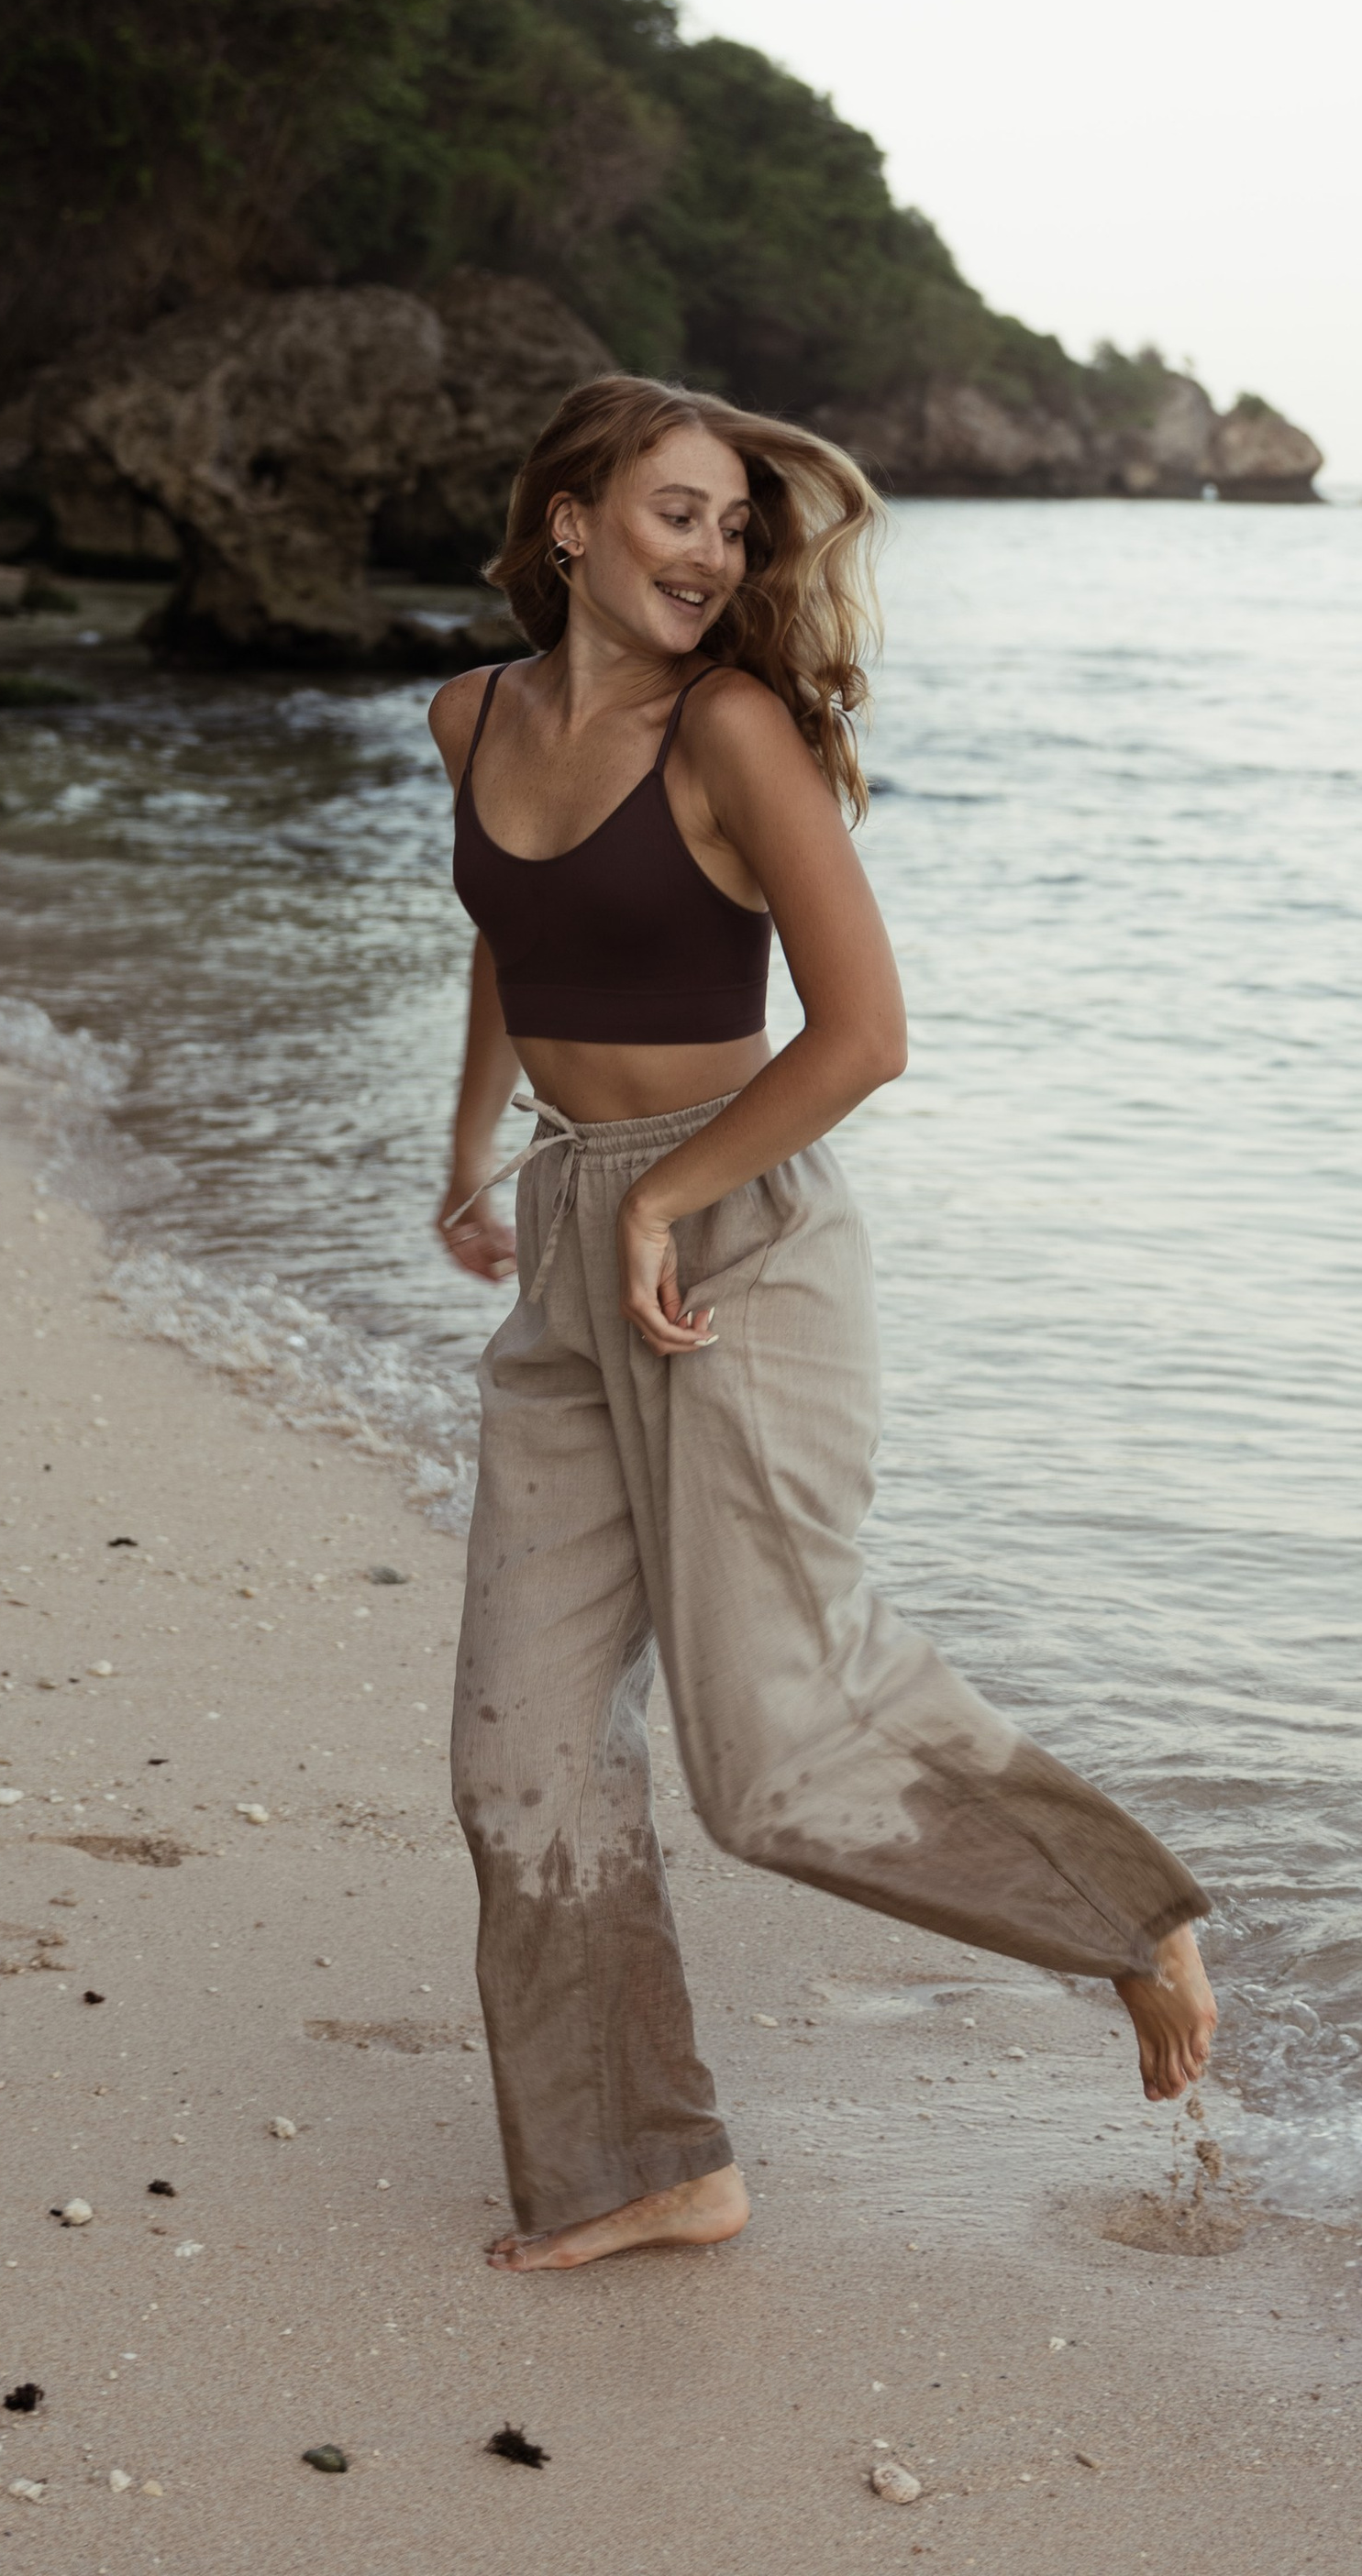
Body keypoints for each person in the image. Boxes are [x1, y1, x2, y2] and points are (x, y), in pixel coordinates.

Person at [429, 373, 1214, 2274]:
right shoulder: (470, 716)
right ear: (568, 523)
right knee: (516, 1751)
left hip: (738, 1237)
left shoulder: (734, 731)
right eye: (674, 514)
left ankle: (1125, 1912)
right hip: (567, 1227)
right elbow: (508, 935)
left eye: (729, 527)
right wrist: (473, 1157)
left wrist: (676, 1199)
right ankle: (636, 2165)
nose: (709, 554)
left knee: (766, 1758)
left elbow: (863, 1036)